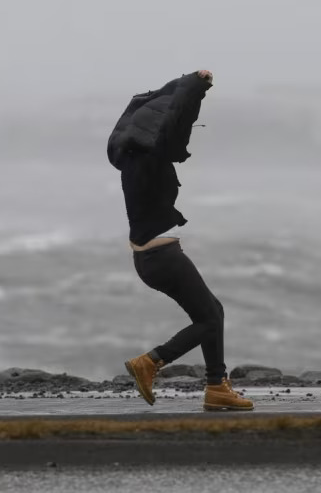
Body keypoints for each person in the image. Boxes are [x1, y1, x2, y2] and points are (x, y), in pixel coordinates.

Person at [107, 69, 253, 411]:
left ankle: (217, 388)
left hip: (150, 258)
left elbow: (150, 106)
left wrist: (186, 81)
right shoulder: (151, 159)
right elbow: (175, 122)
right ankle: (150, 362)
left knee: (211, 312)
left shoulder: (130, 158)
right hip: (162, 258)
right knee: (209, 318)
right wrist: (197, 87)